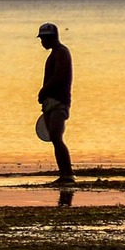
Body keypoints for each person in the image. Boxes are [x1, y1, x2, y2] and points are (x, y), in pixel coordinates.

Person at [37, 22, 74, 186]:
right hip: (51, 102)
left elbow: (59, 75)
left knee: (57, 137)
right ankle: (64, 174)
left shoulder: (61, 52)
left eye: (44, 39)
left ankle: (68, 175)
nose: (42, 42)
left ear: (52, 38)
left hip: (59, 102)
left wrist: (44, 90)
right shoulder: (54, 54)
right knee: (54, 137)